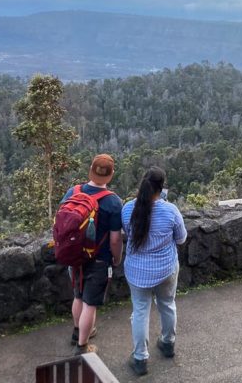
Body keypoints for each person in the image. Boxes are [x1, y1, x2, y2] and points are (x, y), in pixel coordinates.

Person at [121, 167, 187, 376]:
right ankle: (168, 343)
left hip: (138, 272)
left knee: (140, 311)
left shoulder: (128, 209)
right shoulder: (171, 211)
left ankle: (140, 359)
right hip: (166, 269)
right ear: (162, 187)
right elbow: (181, 238)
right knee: (167, 304)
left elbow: (127, 233)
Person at [61, 154, 123, 355]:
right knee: (90, 303)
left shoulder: (73, 191)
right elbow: (115, 239)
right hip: (98, 259)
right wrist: (117, 258)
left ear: (90, 169)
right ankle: (82, 346)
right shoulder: (113, 202)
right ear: (111, 175)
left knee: (78, 296)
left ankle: (76, 332)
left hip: (74, 255)